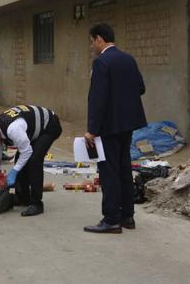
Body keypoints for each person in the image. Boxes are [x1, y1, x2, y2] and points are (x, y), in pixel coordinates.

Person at [83, 23, 147, 234]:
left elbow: (98, 99)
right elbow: (140, 87)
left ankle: (111, 219)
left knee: (109, 172)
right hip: (127, 125)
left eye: (92, 41)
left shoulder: (101, 62)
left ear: (99, 39)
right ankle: (127, 216)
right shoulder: (128, 59)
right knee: (123, 169)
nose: (92, 46)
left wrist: (92, 129)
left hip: (108, 127)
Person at [0, 105, 62, 216]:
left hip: (49, 126)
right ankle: (23, 198)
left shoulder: (13, 129)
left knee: (34, 161)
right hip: (32, 129)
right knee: (19, 160)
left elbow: (27, 152)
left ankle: (37, 204)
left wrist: (14, 171)